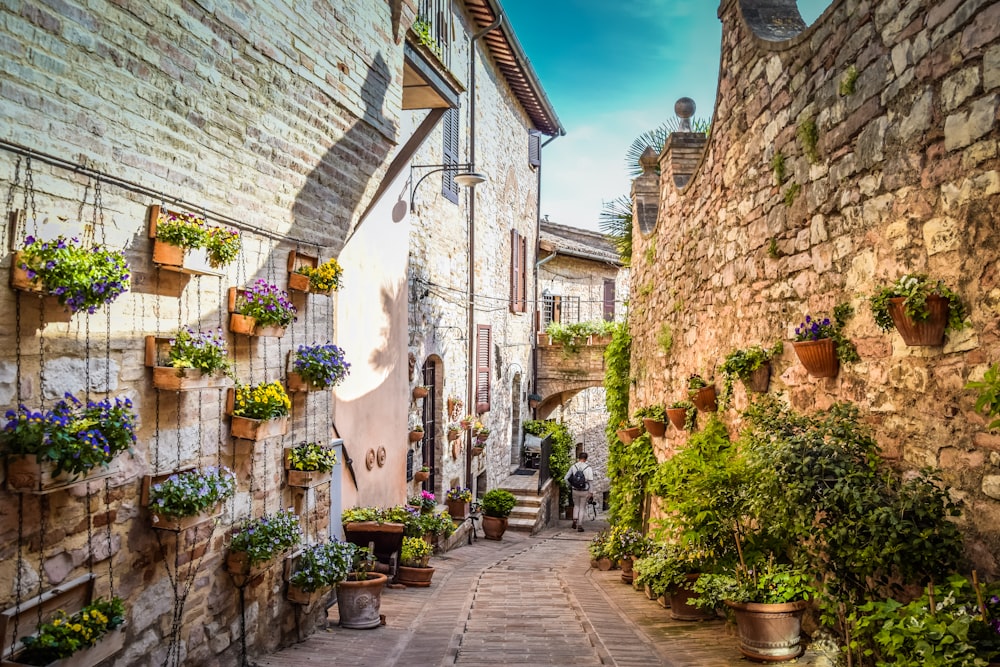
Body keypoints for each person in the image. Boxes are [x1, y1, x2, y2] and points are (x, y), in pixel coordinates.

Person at [564, 451, 594, 532]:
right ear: (586, 459)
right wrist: (591, 492)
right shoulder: (588, 468)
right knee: (582, 507)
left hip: (575, 490)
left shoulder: (574, 466)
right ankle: (580, 525)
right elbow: (590, 481)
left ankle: (574, 520)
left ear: (579, 458)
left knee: (576, 505)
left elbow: (566, 478)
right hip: (584, 490)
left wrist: (571, 485)